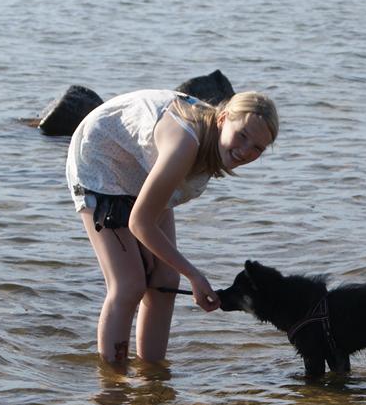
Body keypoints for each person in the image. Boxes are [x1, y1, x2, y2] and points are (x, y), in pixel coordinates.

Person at [66, 88, 279, 365]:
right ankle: (113, 390)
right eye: (242, 136)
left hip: (139, 166)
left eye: (257, 148)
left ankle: (150, 376)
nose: (245, 151)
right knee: (129, 284)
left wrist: (184, 273)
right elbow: (140, 223)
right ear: (223, 118)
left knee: (165, 280)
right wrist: (195, 275)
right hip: (100, 159)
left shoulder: (213, 142)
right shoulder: (185, 143)